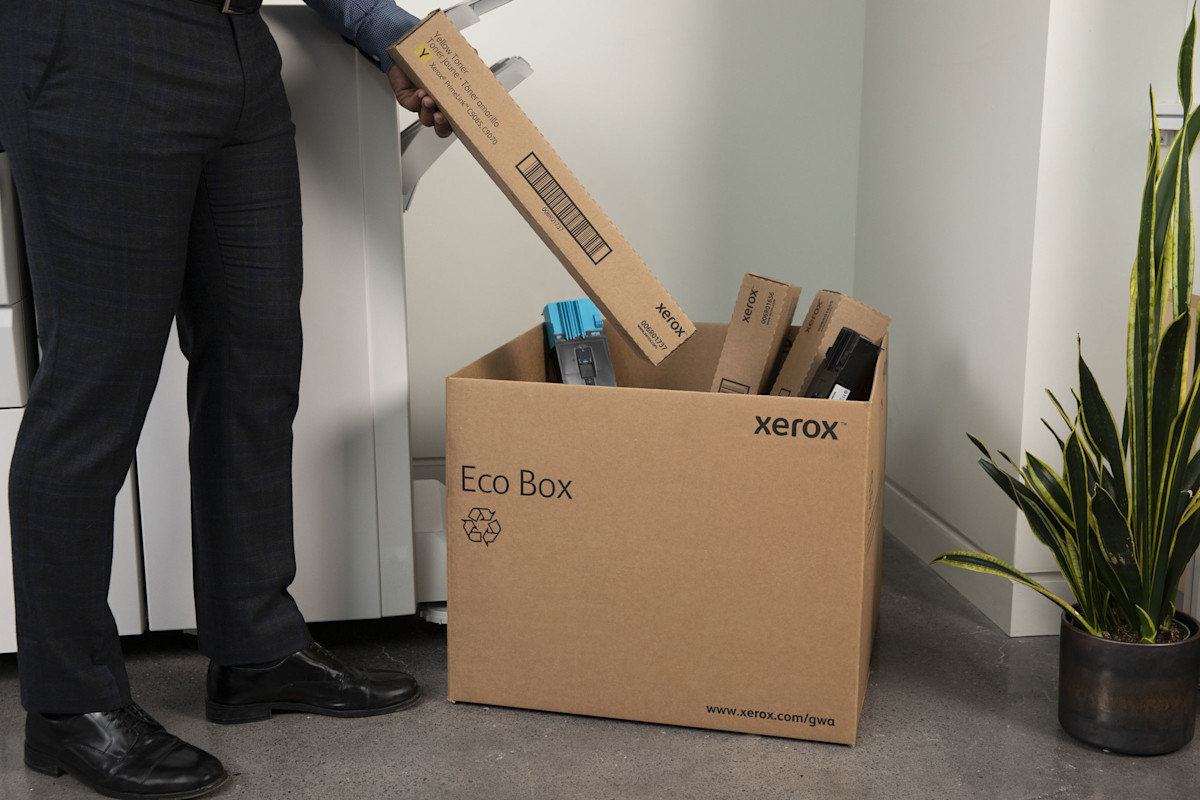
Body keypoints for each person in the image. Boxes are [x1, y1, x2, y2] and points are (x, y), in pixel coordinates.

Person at [0, 1, 452, 797]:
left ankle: (256, 650)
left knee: (258, 356)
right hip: (95, 45)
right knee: (95, 385)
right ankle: (69, 707)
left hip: (237, 45)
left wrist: (389, 32)